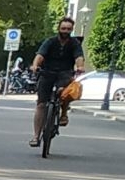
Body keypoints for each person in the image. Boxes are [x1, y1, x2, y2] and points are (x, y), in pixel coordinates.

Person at [27, 17, 83, 147]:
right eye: (63, 28)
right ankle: (36, 136)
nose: (65, 31)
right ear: (59, 29)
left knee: (64, 92)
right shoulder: (50, 42)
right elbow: (40, 55)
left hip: (65, 73)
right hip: (47, 72)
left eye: (68, 29)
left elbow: (79, 57)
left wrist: (80, 67)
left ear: (72, 30)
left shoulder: (74, 43)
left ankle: (63, 114)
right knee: (41, 104)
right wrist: (35, 65)